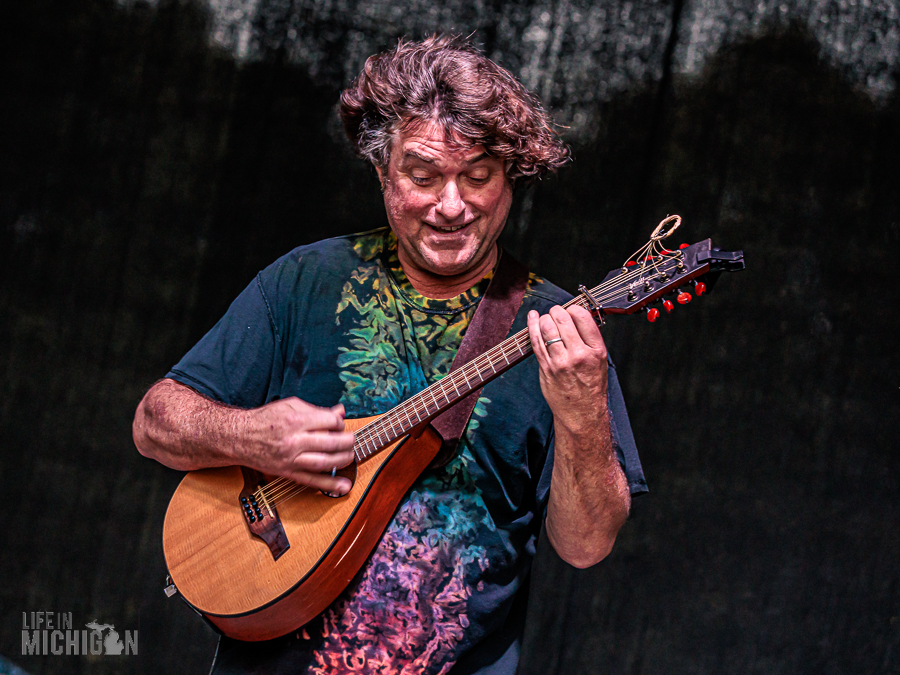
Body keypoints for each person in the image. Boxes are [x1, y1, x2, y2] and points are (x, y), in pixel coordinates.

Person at [133, 34, 647, 675]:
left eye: (478, 176)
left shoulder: (563, 339)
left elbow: (586, 545)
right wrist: (250, 436)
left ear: (510, 179)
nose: (451, 206)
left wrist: (582, 412)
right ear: (383, 172)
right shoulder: (307, 280)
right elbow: (154, 423)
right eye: (423, 176)